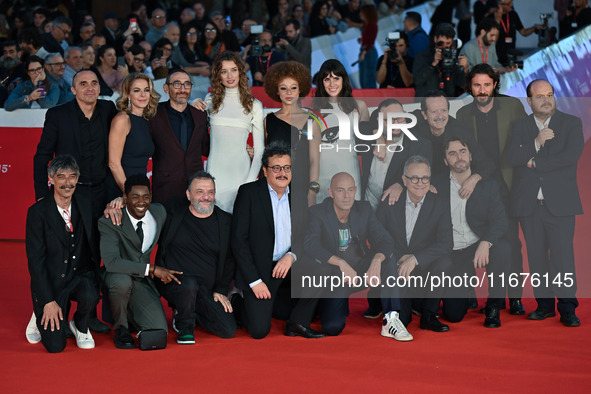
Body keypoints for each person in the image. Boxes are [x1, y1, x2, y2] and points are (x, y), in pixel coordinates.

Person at [506, 79, 583, 327]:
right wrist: (536, 144)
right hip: (529, 206)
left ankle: (568, 308)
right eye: (540, 96)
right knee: (537, 259)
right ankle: (545, 306)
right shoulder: (519, 126)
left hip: (560, 204)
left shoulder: (571, 123)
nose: (546, 99)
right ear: (529, 101)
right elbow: (511, 157)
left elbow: (570, 157)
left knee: (563, 259)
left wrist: (534, 162)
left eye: (549, 94)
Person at [232, 142, 324, 339]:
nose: (282, 173)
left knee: (320, 270)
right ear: (265, 171)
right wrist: (254, 281)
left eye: (286, 168)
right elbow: (238, 241)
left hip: (287, 265)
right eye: (276, 168)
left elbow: (305, 234)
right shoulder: (248, 193)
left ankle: (297, 323)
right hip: (260, 271)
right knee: (259, 331)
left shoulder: (299, 195)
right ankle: (238, 303)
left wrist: (291, 255)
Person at [456, 63, 528, 314]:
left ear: (495, 84)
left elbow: (526, 141)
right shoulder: (464, 115)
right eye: (477, 85)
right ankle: (473, 295)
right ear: (470, 87)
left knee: (511, 244)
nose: (482, 90)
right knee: (471, 241)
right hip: (478, 190)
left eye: (487, 84)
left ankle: (515, 297)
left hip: (509, 187)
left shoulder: (512, 106)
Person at [304, 172, 411, 340]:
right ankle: (325, 307)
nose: (347, 196)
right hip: (336, 276)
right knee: (333, 327)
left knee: (387, 259)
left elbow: (385, 240)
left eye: (350, 190)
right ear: (330, 192)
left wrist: (376, 259)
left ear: (355, 191)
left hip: (362, 270)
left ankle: (391, 319)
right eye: (340, 190)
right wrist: (340, 262)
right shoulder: (318, 213)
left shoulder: (364, 209)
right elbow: (311, 245)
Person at [433, 137, 510, 328]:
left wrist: (486, 242)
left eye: (462, 151)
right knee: (453, 315)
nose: (459, 157)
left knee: (502, 248)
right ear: (445, 160)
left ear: (470, 155)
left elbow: (500, 221)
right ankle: (465, 287)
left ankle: (494, 307)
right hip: (453, 251)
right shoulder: (436, 186)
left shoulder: (487, 185)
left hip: (477, 244)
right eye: (452, 153)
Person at [98, 175, 182, 349]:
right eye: (135, 197)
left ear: (151, 197)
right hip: (116, 275)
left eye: (145, 197)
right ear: (126, 198)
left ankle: (132, 314)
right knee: (121, 282)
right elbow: (112, 262)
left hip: (141, 281)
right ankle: (121, 329)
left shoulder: (159, 213)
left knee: (159, 331)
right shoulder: (110, 221)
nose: (141, 202)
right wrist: (152, 269)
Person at [26, 155, 99, 352]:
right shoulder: (37, 213)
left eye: (72, 176)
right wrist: (47, 300)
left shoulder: (85, 202)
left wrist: (115, 205)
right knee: (56, 346)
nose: (67, 182)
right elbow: (36, 262)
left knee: (92, 293)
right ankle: (38, 311)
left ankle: (80, 325)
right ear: (51, 179)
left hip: (77, 276)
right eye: (61, 177)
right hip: (51, 282)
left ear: (77, 179)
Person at [156, 171, 236, 344]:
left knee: (228, 330)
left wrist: (221, 289)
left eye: (210, 192)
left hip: (205, 290)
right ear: (188, 194)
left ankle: (189, 309)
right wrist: (118, 201)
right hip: (175, 283)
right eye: (200, 191)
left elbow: (230, 260)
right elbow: (141, 208)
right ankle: (185, 326)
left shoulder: (226, 222)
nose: (205, 197)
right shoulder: (172, 213)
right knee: (188, 285)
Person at [377, 155, 453, 332]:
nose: (420, 183)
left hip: (423, 266)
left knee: (445, 263)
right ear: (404, 180)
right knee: (402, 320)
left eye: (425, 178)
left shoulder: (439, 204)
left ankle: (428, 315)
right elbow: (378, 239)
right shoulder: (389, 201)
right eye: (414, 178)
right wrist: (398, 257)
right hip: (397, 266)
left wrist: (415, 259)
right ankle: (405, 305)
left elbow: (446, 244)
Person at [193, 51, 264, 213]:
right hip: (214, 173)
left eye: (233, 70)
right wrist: (192, 102)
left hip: (242, 174)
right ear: (218, 75)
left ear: (240, 71)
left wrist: (250, 182)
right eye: (224, 71)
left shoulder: (254, 105)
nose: (229, 75)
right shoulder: (210, 99)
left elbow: (260, 149)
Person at [263, 61, 320, 209]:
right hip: (274, 185)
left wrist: (312, 192)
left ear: (300, 89)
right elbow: (265, 155)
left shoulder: (311, 121)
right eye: (284, 88)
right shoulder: (268, 121)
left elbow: (314, 160)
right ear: (276, 90)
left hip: (302, 185)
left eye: (293, 88)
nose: (289, 93)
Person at [150, 69, 210, 203]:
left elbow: (206, 147)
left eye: (187, 84)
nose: (182, 89)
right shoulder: (154, 115)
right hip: (165, 188)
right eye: (177, 84)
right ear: (166, 88)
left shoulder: (200, 115)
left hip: (195, 189)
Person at [313, 59, 369, 203]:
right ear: (321, 82)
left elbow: (369, 139)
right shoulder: (314, 110)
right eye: (327, 79)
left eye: (336, 78)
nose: (332, 84)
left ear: (344, 79)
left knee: (351, 218)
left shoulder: (359, 106)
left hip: (350, 170)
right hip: (323, 173)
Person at [107, 73, 159, 200]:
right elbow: (113, 163)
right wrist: (128, 193)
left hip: (140, 189)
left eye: (146, 90)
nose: (143, 95)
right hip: (121, 190)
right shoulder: (122, 119)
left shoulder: (146, 120)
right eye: (137, 90)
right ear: (128, 94)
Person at [412, 23, 469, 98]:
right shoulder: (422, 57)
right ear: (435, 39)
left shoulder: (452, 58)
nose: (444, 47)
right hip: (426, 102)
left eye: (448, 43)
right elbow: (417, 81)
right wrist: (433, 64)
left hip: (448, 102)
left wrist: (465, 69)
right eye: (441, 43)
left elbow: (461, 84)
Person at [495, 0, 542, 66]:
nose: (511, 5)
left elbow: (524, 32)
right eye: (508, 4)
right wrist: (498, 19)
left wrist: (534, 27)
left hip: (512, 55)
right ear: (500, 5)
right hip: (497, 58)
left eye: (512, 2)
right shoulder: (493, 16)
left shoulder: (513, 15)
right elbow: (493, 41)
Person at [357, 4, 378, 89]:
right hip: (366, 51)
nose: (360, 15)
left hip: (368, 53)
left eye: (362, 13)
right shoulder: (367, 25)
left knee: (368, 79)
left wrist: (364, 53)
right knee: (364, 78)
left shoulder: (372, 25)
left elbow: (371, 41)